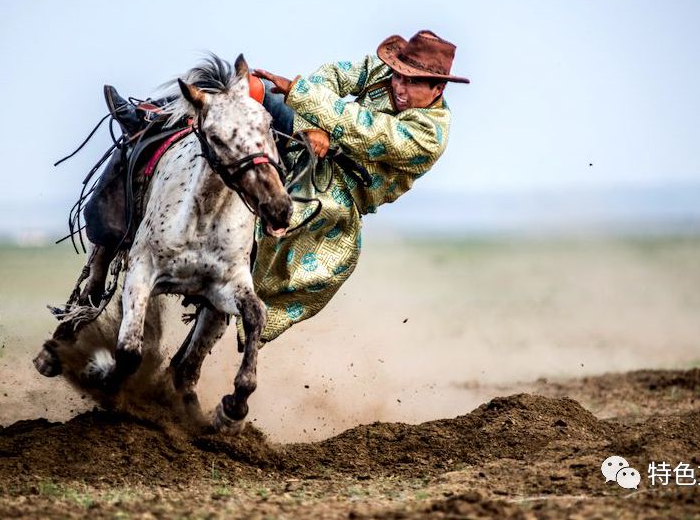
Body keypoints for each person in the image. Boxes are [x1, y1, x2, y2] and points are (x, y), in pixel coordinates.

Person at [99, 30, 468, 345]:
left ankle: (228, 295)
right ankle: (153, 116)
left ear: (437, 88)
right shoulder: (381, 73)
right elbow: (331, 78)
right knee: (249, 90)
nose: (399, 86)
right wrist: (312, 113)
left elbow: (371, 132)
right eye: (398, 77)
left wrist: (308, 104)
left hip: (338, 189)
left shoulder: (429, 134)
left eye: (412, 82)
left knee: (277, 227)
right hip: (314, 130)